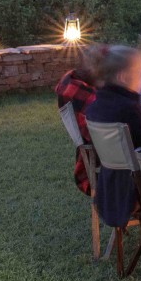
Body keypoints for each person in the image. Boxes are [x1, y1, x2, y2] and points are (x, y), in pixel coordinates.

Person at [85, 45, 141, 229]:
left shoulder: (95, 107)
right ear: (123, 77)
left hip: (111, 190)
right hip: (139, 192)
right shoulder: (131, 110)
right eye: (139, 71)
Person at [54, 45, 105, 195]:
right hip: (105, 159)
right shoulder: (87, 96)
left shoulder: (70, 80)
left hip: (95, 156)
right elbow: (103, 136)